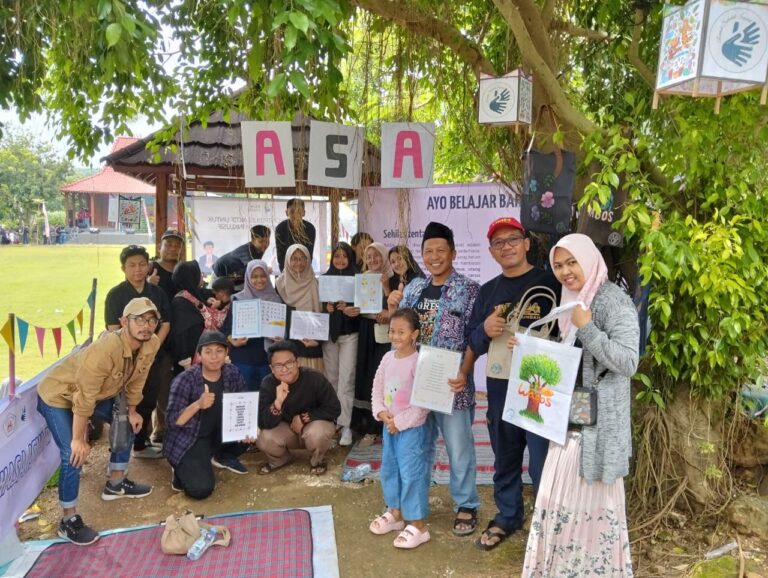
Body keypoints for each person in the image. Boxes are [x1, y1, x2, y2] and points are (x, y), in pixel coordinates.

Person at [522, 233, 639, 575]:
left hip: (597, 427)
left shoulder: (612, 300)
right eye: (558, 265)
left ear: (589, 259)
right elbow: (567, 362)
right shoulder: (570, 300)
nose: (565, 271)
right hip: (571, 418)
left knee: (587, 504)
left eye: (572, 262)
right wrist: (529, 350)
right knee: (557, 499)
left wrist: (587, 328)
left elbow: (628, 361)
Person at [466, 217, 561, 550]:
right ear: (491, 252)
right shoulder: (488, 291)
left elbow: (570, 335)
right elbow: (472, 340)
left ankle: (547, 521)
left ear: (526, 244)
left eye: (512, 239)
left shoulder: (552, 283)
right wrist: (485, 329)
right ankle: (508, 516)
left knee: (541, 461)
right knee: (504, 456)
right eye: (498, 242)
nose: (506, 246)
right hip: (500, 387)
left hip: (540, 388)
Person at [36, 298, 161, 545]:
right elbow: (84, 398)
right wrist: (77, 439)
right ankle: (68, 520)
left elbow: (138, 378)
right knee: (72, 454)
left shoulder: (152, 343)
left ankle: (116, 484)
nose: (146, 326)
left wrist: (133, 410)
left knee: (126, 422)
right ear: (124, 322)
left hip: (98, 394)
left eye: (151, 320)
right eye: (139, 320)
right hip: (59, 395)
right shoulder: (104, 350)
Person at [387, 222, 480, 537]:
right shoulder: (413, 289)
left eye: (442, 250)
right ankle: (412, 509)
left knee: (459, 447)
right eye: (429, 251)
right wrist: (391, 309)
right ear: (422, 255)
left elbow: (474, 338)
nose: (435, 256)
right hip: (414, 387)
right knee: (415, 448)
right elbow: (399, 334)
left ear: (453, 253)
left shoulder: (469, 290)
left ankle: (466, 504)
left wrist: (464, 373)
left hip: (451, 386)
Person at [369, 308, 431, 549]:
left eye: (401, 332)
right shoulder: (387, 358)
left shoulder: (419, 362)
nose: (395, 336)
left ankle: (418, 524)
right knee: (390, 469)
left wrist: (400, 422)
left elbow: (422, 404)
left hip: (411, 429)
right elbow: (377, 388)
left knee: (411, 473)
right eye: (392, 331)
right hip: (389, 426)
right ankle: (395, 513)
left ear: (414, 334)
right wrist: (382, 413)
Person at [164, 331, 254, 498]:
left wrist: (247, 428)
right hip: (190, 438)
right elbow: (173, 421)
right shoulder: (185, 380)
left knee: (251, 432)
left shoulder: (232, 372)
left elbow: (243, 404)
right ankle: (180, 467)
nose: (214, 357)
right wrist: (198, 404)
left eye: (219, 351)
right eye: (208, 351)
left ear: (227, 353)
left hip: (218, 432)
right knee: (200, 490)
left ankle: (220, 456)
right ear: (199, 355)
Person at [104, 245, 171, 459]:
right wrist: (132, 349)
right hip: (126, 359)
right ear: (123, 268)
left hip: (153, 358)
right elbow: (112, 328)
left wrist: (152, 347)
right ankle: (121, 449)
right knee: (124, 402)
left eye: (142, 264)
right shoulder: (116, 294)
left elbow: (166, 323)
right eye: (132, 265)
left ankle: (141, 444)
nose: (138, 269)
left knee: (148, 398)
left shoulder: (157, 292)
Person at [257, 340, 341, 476]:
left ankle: (317, 461)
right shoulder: (268, 383)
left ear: (297, 362)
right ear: (271, 368)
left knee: (318, 433)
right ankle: (280, 460)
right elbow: (262, 421)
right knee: (262, 437)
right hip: (287, 432)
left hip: (312, 427)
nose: (284, 369)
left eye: (289, 363)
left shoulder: (315, 378)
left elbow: (334, 408)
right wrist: (277, 403)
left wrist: (304, 418)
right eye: (278, 365)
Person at [351, 242, 393, 438]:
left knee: (383, 375)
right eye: (369, 257)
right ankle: (367, 425)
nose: (373, 260)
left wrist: (386, 288)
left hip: (386, 333)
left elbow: (397, 307)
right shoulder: (363, 279)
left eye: (377, 256)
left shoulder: (392, 277)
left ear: (384, 257)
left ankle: (384, 426)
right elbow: (359, 306)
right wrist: (354, 309)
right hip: (366, 329)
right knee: (366, 374)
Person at [321, 242, 361, 447]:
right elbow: (317, 307)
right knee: (332, 380)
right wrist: (325, 308)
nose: (340, 260)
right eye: (336, 256)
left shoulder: (358, 278)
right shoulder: (325, 278)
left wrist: (352, 308)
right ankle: (332, 423)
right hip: (330, 337)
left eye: (344, 256)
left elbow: (366, 306)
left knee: (346, 380)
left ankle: (346, 425)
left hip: (350, 335)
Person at [222, 260, 281, 391]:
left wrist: (280, 336)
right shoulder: (238, 299)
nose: (259, 280)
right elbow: (226, 328)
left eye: (263, 275)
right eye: (254, 276)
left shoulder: (276, 299)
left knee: (265, 399)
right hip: (243, 358)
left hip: (267, 359)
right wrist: (232, 340)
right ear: (248, 277)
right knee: (243, 400)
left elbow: (282, 329)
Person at [169, 261, 225, 372]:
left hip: (206, 356)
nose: (202, 276)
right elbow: (181, 336)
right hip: (190, 363)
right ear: (191, 276)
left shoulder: (195, 294)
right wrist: (186, 365)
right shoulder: (180, 302)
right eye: (199, 273)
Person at [275, 244, 324, 371]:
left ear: (308, 260)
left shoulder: (317, 283)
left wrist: (318, 340)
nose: (299, 262)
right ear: (287, 260)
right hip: (289, 343)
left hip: (312, 342)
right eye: (294, 259)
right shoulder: (280, 284)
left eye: (303, 258)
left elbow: (324, 314)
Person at [215, 225, 271, 289]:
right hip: (221, 273)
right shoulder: (247, 251)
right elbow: (253, 268)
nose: (265, 244)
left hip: (235, 276)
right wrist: (265, 269)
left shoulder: (259, 249)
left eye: (267, 241)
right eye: (260, 242)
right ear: (252, 241)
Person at [275, 198, 316, 272]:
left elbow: (309, 253)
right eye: (292, 212)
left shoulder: (310, 228)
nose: (296, 216)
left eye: (299, 212)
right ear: (287, 213)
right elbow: (280, 255)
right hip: (286, 270)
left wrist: (303, 270)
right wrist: (285, 272)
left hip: (304, 269)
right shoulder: (280, 228)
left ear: (304, 213)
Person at [148, 229, 184, 298]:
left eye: (177, 246)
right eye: (168, 245)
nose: (173, 249)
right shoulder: (150, 268)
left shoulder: (185, 270)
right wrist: (146, 285)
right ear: (159, 247)